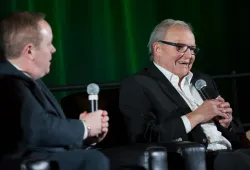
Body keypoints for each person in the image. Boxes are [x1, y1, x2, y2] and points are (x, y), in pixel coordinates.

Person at [119, 19, 250, 170]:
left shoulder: (203, 80)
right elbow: (143, 138)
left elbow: (236, 133)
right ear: (158, 49)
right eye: (180, 47)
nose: (189, 56)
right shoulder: (138, 84)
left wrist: (227, 124)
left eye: (192, 49)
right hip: (200, 159)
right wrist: (197, 115)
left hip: (233, 152)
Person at [0, 11, 109, 170]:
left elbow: (45, 131)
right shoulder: (7, 82)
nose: (54, 49)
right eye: (48, 43)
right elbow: (37, 129)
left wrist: (86, 137)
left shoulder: (32, 81)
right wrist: (84, 127)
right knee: (95, 160)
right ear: (29, 51)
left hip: (48, 158)